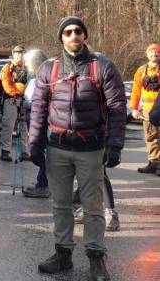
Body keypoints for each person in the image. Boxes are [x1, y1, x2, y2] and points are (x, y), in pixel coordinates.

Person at [29, 16, 126, 280]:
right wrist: (34, 143)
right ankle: (63, 255)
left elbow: (117, 108)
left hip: (91, 148)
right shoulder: (48, 69)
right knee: (60, 205)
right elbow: (38, 108)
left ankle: (96, 257)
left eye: (78, 31)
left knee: (93, 207)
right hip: (57, 147)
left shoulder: (102, 67)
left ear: (84, 36)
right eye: (68, 32)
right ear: (61, 37)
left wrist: (115, 144)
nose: (73, 35)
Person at [21, 48, 51, 199]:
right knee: (39, 152)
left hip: (40, 120)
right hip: (33, 118)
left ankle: (44, 185)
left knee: (40, 152)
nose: (25, 64)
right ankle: (42, 183)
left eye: (27, 62)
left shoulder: (44, 77)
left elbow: (37, 102)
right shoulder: (35, 77)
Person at [129, 44, 160, 174]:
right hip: (147, 110)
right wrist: (134, 108)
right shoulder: (141, 70)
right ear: (147, 55)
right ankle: (154, 163)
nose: (154, 55)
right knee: (150, 137)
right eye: (151, 53)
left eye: (157, 53)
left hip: (159, 107)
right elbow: (136, 91)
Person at [0, 45, 29, 162]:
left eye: (21, 53)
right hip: (11, 100)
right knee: (9, 126)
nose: (19, 56)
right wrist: (18, 91)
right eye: (17, 53)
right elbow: (6, 85)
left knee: (24, 127)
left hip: (24, 101)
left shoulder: (27, 68)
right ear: (13, 54)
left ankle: (25, 152)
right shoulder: (7, 68)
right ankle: (5, 151)